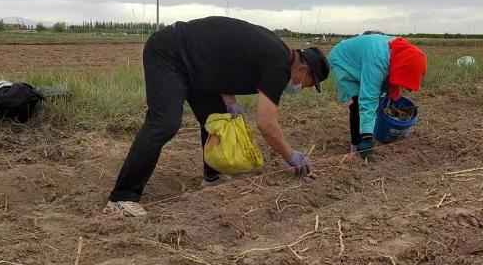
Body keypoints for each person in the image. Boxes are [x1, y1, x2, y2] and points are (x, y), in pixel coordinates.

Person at [106, 16, 330, 218]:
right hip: (170, 53)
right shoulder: (279, 66)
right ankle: (122, 197)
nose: (304, 87)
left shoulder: (277, 52)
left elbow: (225, 60)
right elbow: (266, 123)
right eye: (310, 84)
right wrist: (290, 155)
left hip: (195, 65)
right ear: (302, 69)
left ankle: (212, 176)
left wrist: (230, 101)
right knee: (164, 123)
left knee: (216, 118)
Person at [328, 33, 426, 158]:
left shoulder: (402, 54)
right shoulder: (378, 60)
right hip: (345, 60)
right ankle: (356, 147)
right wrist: (367, 136)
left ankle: (366, 135)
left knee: (379, 99)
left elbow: (390, 80)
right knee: (359, 102)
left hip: (369, 58)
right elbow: (368, 98)